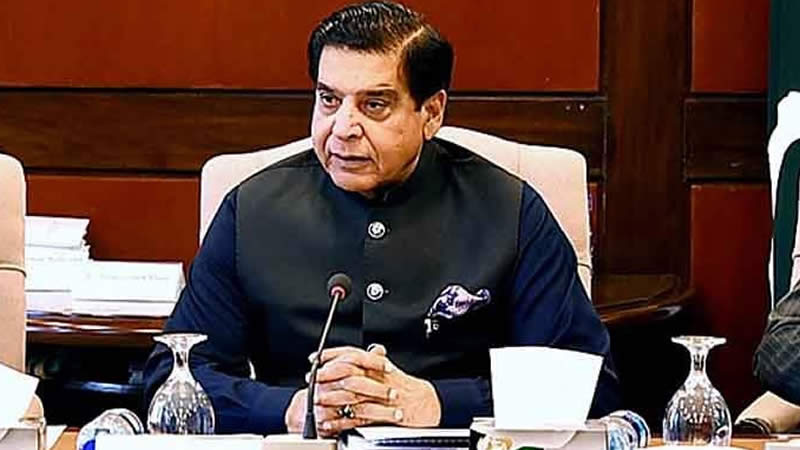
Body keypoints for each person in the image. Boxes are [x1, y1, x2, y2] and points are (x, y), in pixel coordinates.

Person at [143, 0, 621, 436]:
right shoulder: (252, 209)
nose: (343, 129)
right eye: (329, 100)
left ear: (431, 113)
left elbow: (590, 382)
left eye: (374, 105)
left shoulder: (511, 210)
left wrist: (436, 402)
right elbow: (171, 376)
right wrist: (290, 408)